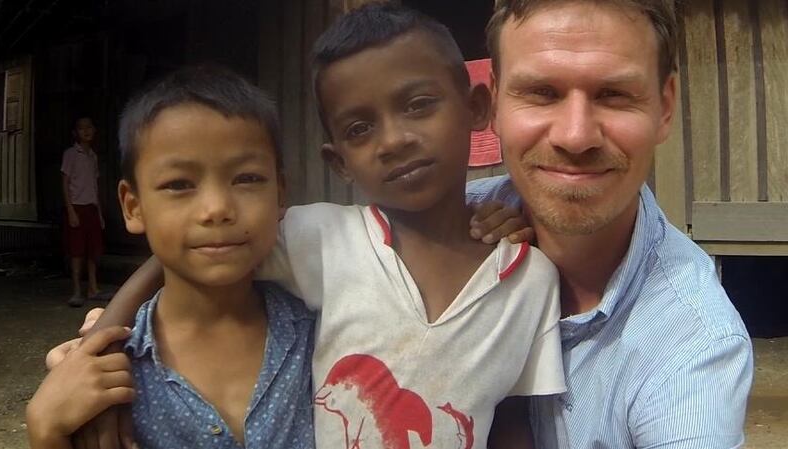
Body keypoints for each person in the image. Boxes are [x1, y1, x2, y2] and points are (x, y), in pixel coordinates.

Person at [47, 5, 564, 449]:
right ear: (339, 161)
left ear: (477, 108)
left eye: (418, 105)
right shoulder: (321, 239)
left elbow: (514, 416)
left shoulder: (530, 280)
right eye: (360, 128)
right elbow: (193, 250)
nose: (394, 140)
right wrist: (108, 342)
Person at [467, 1, 753, 447]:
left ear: (664, 108)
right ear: (495, 103)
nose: (576, 136)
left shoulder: (694, 346)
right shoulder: (431, 232)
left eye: (614, 95)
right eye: (542, 92)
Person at [27, 66, 316, 449]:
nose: (216, 209)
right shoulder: (108, 373)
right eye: (179, 184)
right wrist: (46, 431)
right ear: (133, 207)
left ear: (280, 193)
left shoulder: (325, 336)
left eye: (246, 178)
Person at [61, 116, 105, 307]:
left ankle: (93, 288)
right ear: (75, 133)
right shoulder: (71, 154)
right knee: (77, 251)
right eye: (81, 128)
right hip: (77, 207)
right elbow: (65, 182)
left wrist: (100, 213)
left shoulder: (93, 156)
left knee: (93, 250)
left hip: (92, 208)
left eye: (89, 127)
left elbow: (94, 186)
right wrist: (70, 210)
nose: (86, 131)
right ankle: (77, 290)